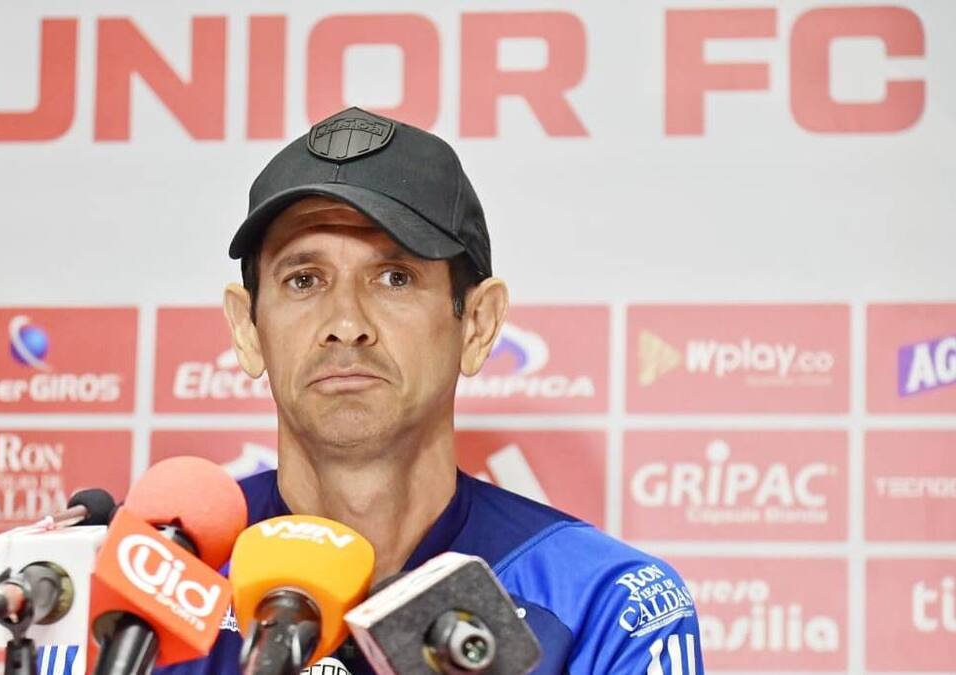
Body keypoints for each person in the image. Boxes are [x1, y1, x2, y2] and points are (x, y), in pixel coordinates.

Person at [157, 107, 704, 674]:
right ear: (247, 330)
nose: (346, 323)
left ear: (478, 324)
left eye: (395, 278)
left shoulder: (601, 603)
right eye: (304, 280)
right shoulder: (156, 585)